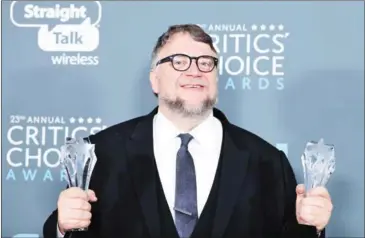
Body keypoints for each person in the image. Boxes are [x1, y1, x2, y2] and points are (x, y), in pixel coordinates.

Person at [43, 24, 333, 238]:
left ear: (216, 80)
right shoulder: (101, 152)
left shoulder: (267, 161)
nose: (195, 70)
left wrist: (312, 228)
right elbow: (73, 229)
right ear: (155, 80)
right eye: (179, 61)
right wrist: (61, 227)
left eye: (206, 63)